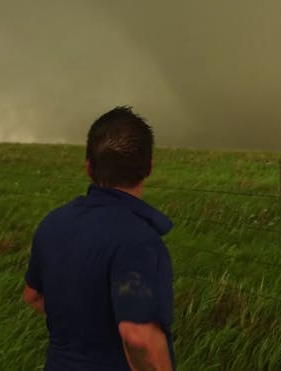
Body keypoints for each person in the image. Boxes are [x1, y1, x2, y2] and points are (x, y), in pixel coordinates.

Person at [22, 106, 175, 370]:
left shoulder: (52, 224)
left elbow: (32, 295)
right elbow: (138, 338)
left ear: (89, 167)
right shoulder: (139, 241)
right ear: (148, 168)